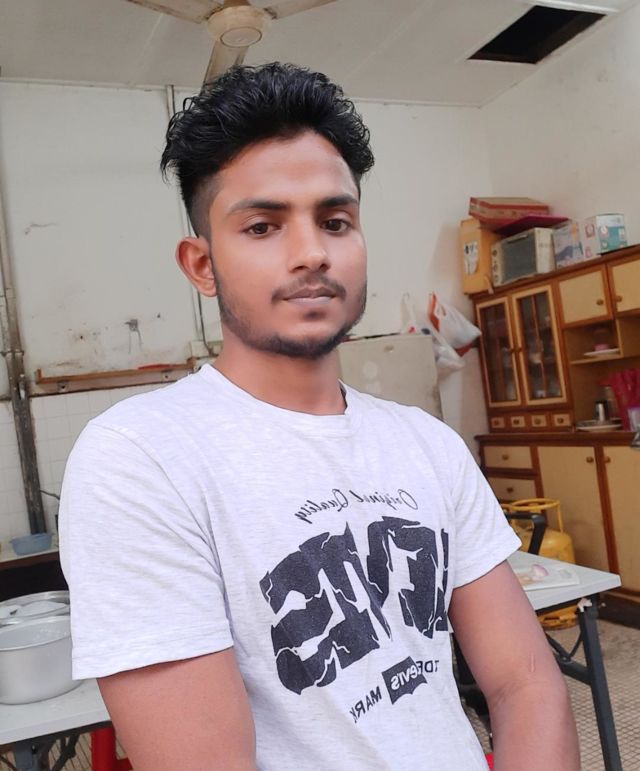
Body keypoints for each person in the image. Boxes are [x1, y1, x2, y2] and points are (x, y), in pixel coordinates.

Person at [59, 62, 579, 771]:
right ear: (201, 265)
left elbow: (526, 681)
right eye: (263, 226)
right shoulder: (140, 459)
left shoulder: (427, 444)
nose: (311, 253)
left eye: (335, 222)